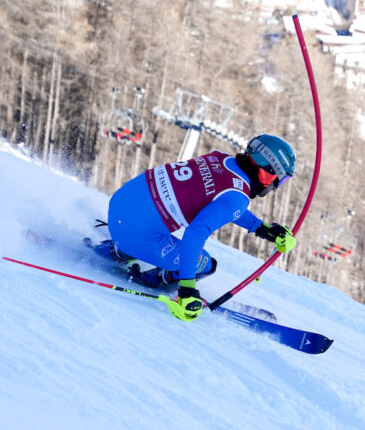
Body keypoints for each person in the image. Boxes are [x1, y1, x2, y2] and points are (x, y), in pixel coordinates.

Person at [92, 134, 299, 322]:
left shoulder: (220, 159)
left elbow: (224, 206)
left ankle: (119, 250)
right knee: (205, 264)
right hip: (135, 236)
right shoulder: (237, 197)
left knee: (150, 224)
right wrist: (187, 288)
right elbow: (196, 233)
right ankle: (149, 279)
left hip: (119, 207)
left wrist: (262, 228)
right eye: (279, 180)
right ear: (267, 172)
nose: (274, 188)